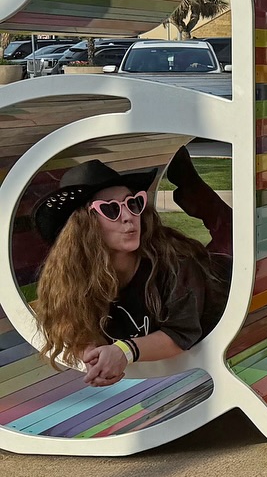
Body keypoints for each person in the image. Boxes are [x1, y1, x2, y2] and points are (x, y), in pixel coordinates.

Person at [31, 148, 233, 385]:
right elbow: (72, 325)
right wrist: (93, 355)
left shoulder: (175, 262)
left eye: (133, 203)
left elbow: (181, 333)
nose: (128, 216)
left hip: (225, 279)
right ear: (84, 227)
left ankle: (192, 186)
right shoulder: (72, 279)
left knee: (229, 231)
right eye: (111, 209)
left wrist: (124, 351)